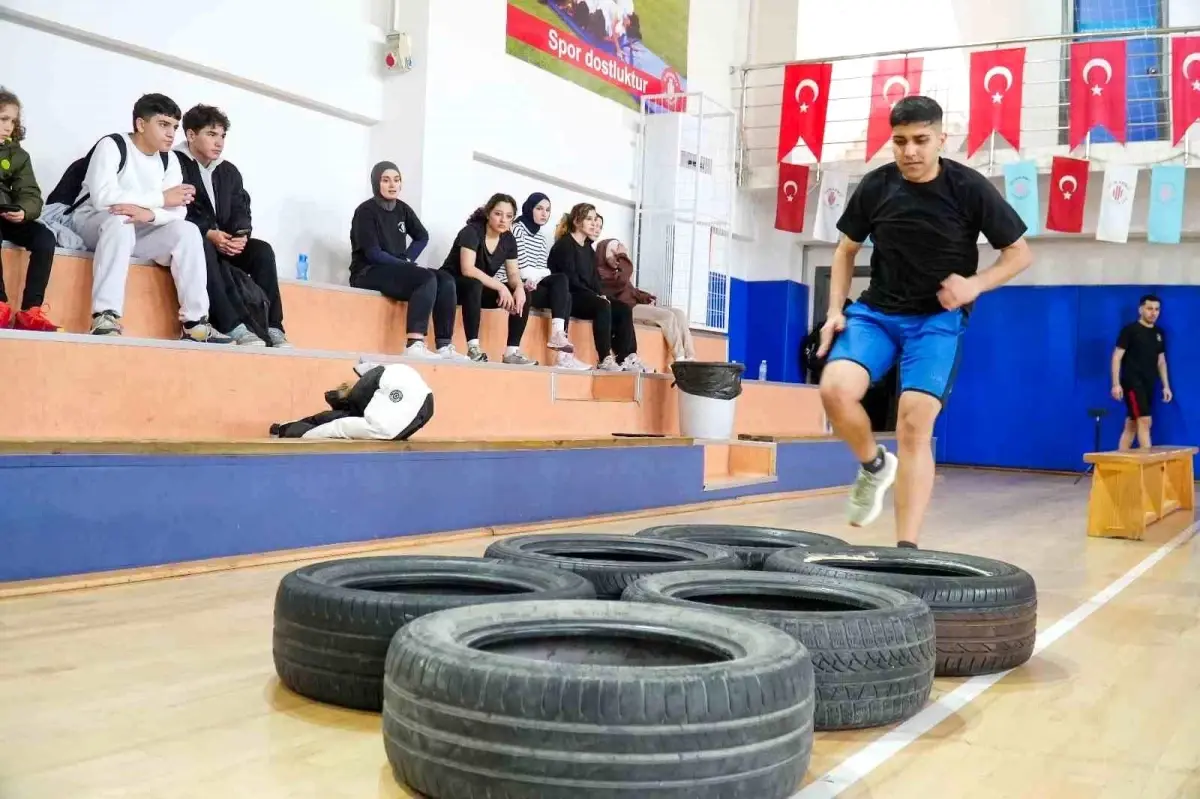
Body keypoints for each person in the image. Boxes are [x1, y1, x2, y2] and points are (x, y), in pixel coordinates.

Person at [816, 95, 1032, 548]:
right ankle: (874, 465)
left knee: (914, 422)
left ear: (940, 138)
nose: (909, 151)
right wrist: (836, 310)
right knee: (835, 389)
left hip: (936, 321)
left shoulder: (968, 187)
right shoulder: (876, 186)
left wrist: (975, 285)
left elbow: (1019, 254)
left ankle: (906, 549)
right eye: (899, 142)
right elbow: (845, 250)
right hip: (876, 313)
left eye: (920, 140)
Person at [71, 93, 230, 342]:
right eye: (163, 124)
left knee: (187, 231)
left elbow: (178, 210)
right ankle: (105, 316)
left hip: (139, 227)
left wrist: (149, 213)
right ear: (141, 124)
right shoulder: (113, 145)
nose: (171, 133)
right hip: (95, 222)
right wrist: (159, 199)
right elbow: (103, 197)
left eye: (175, 127)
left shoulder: (169, 161)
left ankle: (195, 323)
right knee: (120, 220)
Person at [175, 104, 289, 347]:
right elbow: (178, 210)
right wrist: (209, 232)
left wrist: (241, 235)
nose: (219, 142)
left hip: (224, 240)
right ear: (191, 135)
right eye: (211, 134)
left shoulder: (228, 171)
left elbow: (241, 207)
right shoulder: (174, 163)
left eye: (222, 136)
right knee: (203, 247)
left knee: (262, 251)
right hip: (196, 240)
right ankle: (232, 326)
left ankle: (273, 327)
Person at [349, 161, 466, 361]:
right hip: (368, 271)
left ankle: (445, 346)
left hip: (396, 270)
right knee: (424, 278)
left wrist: (408, 258)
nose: (392, 185)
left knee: (445, 279)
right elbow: (373, 253)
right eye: (386, 180)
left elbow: (422, 236)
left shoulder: (403, 209)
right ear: (376, 182)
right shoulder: (365, 211)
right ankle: (414, 343)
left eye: (396, 180)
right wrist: (404, 264)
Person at [548, 203, 638, 371]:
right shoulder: (564, 245)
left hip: (587, 295)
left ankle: (626, 357)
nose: (593, 223)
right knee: (602, 305)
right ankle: (604, 358)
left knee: (623, 308)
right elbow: (570, 279)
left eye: (594, 219)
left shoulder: (588, 249)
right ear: (576, 221)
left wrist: (599, 294)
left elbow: (595, 280)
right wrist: (596, 296)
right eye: (588, 219)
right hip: (569, 297)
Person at [0, 87, 59, 332]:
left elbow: (30, 193)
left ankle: (30, 311)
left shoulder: (18, 155)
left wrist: (23, 211)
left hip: (6, 214)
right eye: (4, 119)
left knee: (44, 237)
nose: (9, 126)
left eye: (13, 121)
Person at [509, 192, 588, 369]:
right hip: (517, 285)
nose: (544, 213)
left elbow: (543, 269)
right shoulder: (517, 228)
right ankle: (559, 340)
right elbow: (520, 266)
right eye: (539, 208)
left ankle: (562, 354)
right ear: (529, 208)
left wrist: (536, 276)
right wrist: (534, 276)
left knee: (565, 294)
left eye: (547, 210)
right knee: (560, 280)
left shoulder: (541, 238)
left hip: (534, 283)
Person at [595, 237, 683, 366]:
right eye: (612, 252)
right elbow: (621, 283)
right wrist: (623, 256)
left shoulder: (618, 272)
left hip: (636, 305)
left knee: (679, 314)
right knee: (667, 316)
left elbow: (631, 290)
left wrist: (645, 298)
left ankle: (690, 357)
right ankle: (680, 359)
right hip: (628, 309)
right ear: (602, 253)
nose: (616, 256)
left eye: (618, 252)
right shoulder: (601, 273)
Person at [1111, 294, 1171, 450]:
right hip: (1132, 383)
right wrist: (1116, 384)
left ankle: (1121, 464)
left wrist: (1166, 386)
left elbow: (1161, 361)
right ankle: (1148, 468)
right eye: (1149, 308)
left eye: (1157, 309)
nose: (1153, 313)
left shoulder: (1159, 333)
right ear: (1141, 309)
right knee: (1145, 421)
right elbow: (1117, 357)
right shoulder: (1130, 331)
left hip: (1148, 383)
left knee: (1131, 424)